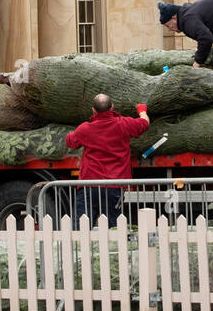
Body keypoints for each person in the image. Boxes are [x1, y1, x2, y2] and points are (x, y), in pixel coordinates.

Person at [64, 94, 150, 223]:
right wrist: (142, 110)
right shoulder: (124, 124)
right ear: (112, 107)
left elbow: (70, 142)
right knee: (114, 226)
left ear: (93, 109)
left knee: (82, 227)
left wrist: (76, 132)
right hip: (114, 186)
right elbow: (144, 123)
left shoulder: (85, 129)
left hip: (89, 186)